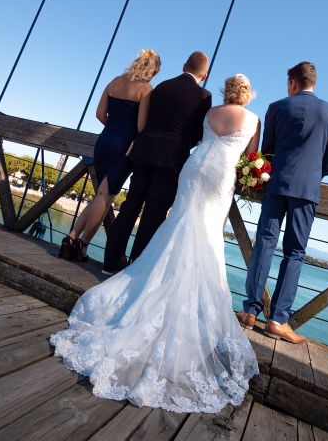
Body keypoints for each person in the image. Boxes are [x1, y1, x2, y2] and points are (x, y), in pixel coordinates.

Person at [51, 74, 261, 413]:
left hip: (193, 170)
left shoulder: (211, 112)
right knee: (206, 235)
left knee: (178, 225)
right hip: (220, 175)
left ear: (226, 90)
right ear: (248, 94)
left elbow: (195, 139)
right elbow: (250, 158)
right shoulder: (253, 119)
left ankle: (146, 276)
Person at [238, 62, 328, 344]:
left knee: (265, 243)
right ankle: (278, 320)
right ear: (313, 82)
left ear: (293, 83)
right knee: (294, 252)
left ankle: (250, 311)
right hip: (306, 190)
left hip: (276, 185)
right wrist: (312, 173)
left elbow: (268, 149)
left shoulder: (276, 108)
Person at [102, 51, 212, 274]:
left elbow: (146, 118)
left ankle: (110, 263)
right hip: (171, 158)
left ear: (183, 66)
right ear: (205, 74)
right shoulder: (204, 96)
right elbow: (198, 133)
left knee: (131, 205)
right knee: (154, 213)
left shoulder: (162, 86)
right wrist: (182, 143)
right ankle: (136, 268)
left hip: (143, 151)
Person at [58, 49, 160, 261]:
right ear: (153, 69)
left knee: (99, 195)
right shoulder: (146, 89)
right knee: (106, 196)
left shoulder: (115, 81)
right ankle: (82, 245)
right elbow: (141, 127)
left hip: (103, 141)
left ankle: (71, 238)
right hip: (124, 146)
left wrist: (113, 128)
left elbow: (99, 114)